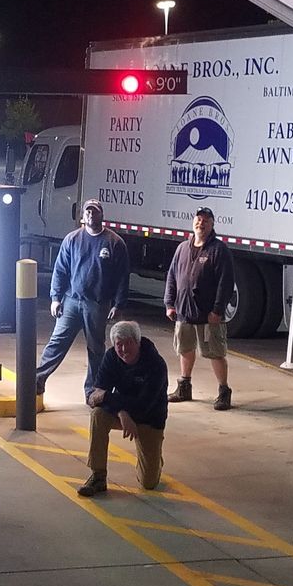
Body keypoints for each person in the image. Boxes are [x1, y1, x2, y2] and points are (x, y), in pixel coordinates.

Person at [37, 199, 131, 392]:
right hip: (71, 301)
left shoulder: (114, 243)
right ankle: (37, 380)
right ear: (83, 215)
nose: (90, 215)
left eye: (94, 212)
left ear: (101, 215)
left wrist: (119, 304)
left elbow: (123, 276)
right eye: (87, 212)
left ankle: (94, 390)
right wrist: (55, 298)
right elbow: (60, 270)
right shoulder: (72, 239)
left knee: (96, 349)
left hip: (97, 304)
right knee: (57, 342)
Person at [78, 320, 168, 497]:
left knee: (149, 483)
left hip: (150, 419)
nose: (124, 350)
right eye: (119, 345)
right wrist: (121, 413)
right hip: (123, 414)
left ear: (138, 343)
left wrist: (110, 399)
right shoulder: (111, 357)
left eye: (129, 344)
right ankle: (98, 476)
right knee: (98, 415)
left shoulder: (156, 364)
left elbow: (144, 405)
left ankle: (156, 460)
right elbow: (96, 396)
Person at [166, 206, 236, 410]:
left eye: (206, 220)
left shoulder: (218, 250)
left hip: (209, 315)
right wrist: (170, 303)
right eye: (198, 219)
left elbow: (226, 283)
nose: (201, 223)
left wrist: (217, 310)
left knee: (215, 352)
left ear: (212, 224)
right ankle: (184, 387)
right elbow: (172, 276)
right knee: (185, 348)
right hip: (184, 311)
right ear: (193, 222)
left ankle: (224, 392)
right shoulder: (182, 248)